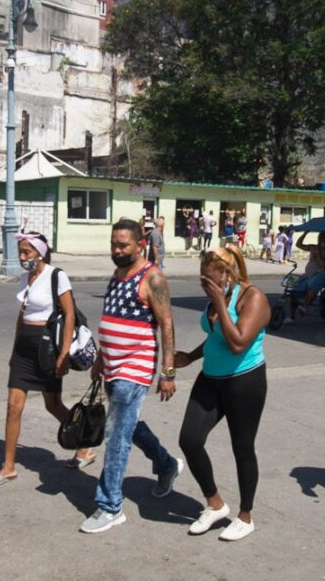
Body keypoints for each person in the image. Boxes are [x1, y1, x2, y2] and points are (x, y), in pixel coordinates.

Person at [80, 219, 184, 534]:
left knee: (115, 435)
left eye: (123, 245)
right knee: (128, 426)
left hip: (135, 368)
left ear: (139, 244)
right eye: (113, 244)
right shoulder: (117, 273)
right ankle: (166, 465)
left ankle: (110, 506)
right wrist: (100, 358)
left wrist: (167, 372)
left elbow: (166, 324)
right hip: (112, 366)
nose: (117, 250)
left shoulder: (152, 277)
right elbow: (110, 320)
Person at [0, 232, 96, 487]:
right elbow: (22, 316)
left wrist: (64, 355)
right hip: (24, 350)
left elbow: (69, 316)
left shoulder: (57, 276)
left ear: (40, 253)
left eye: (27, 252)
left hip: (47, 349)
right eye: (21, 252)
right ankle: (8, 467)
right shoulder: (25, 278)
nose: (22, 258)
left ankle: (84, 445)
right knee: (13, 405)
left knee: (53, 405)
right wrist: (14, 351)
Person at [175, 245, 269, 541]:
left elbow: (238, 342)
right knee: (189, 440)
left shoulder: (253, 298)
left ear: (226, 274)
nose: (203, 284)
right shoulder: (215, 296)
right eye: (201, 279)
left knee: (242, 447)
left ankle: (245, 516)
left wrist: (218, 300)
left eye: (208, 279)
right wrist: (190, 357)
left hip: (244, 381)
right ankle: (215, 503)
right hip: (210, 379)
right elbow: (215, 338)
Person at [289, 231, 325, 321]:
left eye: (323, 238)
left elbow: (323, 265)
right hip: (308, 275)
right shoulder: (313, 247)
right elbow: (299, 244)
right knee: (294, 289)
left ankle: (304, 307)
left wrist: (318, 254)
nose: (320, 240)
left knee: (313, 284)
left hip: (322, 274)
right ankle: (291, 316)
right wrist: (305, 233)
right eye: (319, 238)